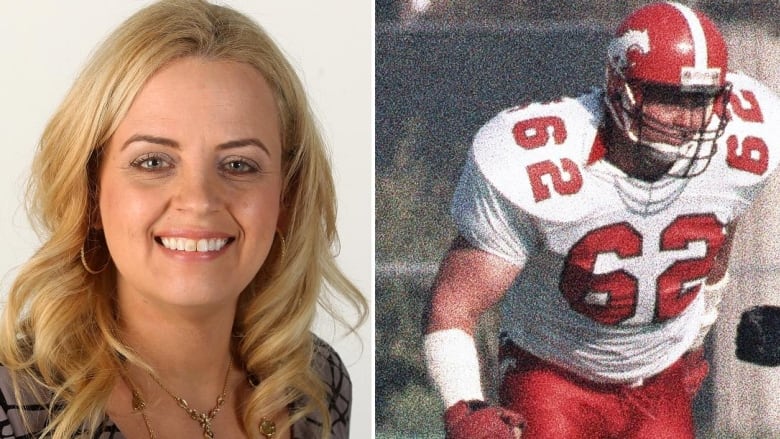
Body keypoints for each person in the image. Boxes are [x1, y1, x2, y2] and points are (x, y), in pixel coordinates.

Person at [0, 1, 367, 438]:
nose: (198, 200)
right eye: (153, 162)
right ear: (91, 191)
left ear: (286, 198)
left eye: (238, 165)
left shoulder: (315, 386)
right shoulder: (15, 403)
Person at [423, 2, 780, 438]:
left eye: (701, 100)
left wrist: (694, 341)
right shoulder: (540, 161)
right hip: (552, 375)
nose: (688, 120)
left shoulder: (744, 142)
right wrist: (464, 407)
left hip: (660, 377)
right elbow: (455, 303)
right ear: (619, 87)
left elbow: (716, 247)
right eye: (669, 97)